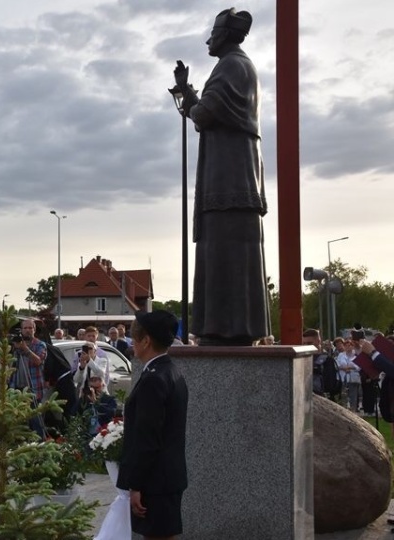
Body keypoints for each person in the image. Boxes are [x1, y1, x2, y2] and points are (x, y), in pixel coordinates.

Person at [174, 8, 269, 346]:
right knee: (230, 252)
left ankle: (226, 329)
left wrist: (189, 97)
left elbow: (204, 114)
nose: (207, 39)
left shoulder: (231, 66)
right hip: (236, 174)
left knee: (225, 251)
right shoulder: (241, 66)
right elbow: (207, 112)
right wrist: (187, 93)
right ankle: (234, 327)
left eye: (213, 33)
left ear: (226, 34)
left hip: (229, 177)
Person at [116, 311, 188, 539]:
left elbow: (148, 438)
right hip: (167, 477)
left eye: (133, 337)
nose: (131, 342)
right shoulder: (171, 371)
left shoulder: (154, 379)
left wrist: (136, 485)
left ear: (146, 341)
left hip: (155, 482)